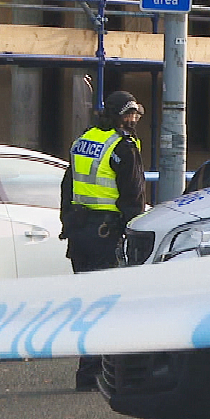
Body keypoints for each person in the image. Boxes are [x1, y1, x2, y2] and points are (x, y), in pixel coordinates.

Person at [60, 90, 148, 391]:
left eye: (136, 114)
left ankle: (87, 375)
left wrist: (66, 224)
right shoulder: (123, 147)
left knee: (87, 304)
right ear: (119, 115)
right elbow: (134, 199)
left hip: (79, 233)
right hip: (105, 235)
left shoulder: (84, 140)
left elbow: (66, 186)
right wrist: (135, 235)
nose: (134, 119)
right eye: (130, 114)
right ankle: (102, 376)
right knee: (109, 305)